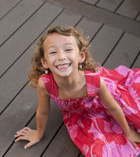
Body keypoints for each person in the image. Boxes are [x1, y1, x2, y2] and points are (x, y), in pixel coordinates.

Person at [14, 26, 140, 156]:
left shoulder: (95, 81)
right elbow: (43, 112)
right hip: (81, 114)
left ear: (81, 56)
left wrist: (128, 131)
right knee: (101, 151)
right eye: (53, 52)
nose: (61, 57)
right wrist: (38, 134)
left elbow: (114, 107)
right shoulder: (45, 84)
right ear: (45, 62)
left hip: (110, 98)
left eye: (68, 49)